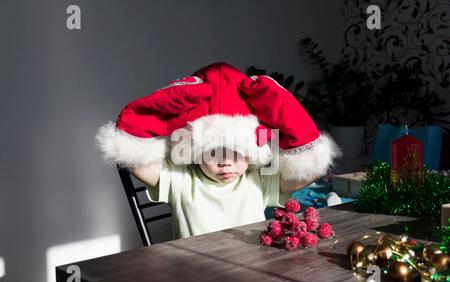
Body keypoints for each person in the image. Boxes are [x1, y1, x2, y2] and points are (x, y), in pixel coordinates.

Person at [96, 62, 341, 239]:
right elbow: (132, 158)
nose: (226, 163)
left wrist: (289, 112)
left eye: (237, 152)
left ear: (253, 152)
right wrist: (160, 122)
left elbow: (309, 169)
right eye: (212, 152)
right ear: (194, 152)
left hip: (252, 278)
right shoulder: (182, 180)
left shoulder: (257, 181)